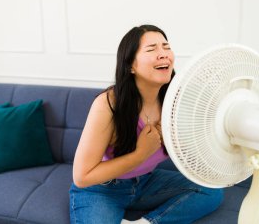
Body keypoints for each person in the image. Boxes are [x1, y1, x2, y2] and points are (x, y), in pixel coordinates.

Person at [69, 24, 223, 224]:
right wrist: (141, 154)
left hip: (145, 183)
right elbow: (82, 176)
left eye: (166, 47)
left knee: (211, 190)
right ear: (130, 65)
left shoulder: (176, 100)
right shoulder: (108, 104)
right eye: (152, 49)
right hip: (102, 190)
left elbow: (194, 152)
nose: (163, 54)